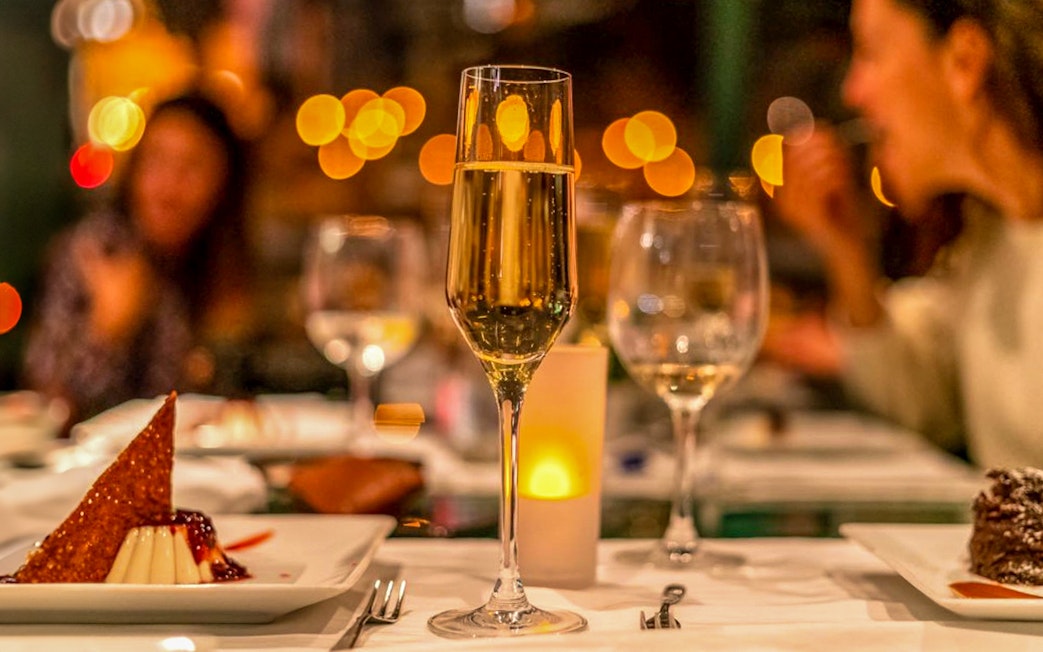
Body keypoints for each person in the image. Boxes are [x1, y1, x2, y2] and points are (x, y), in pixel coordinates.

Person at [767, 0, 1043, 468]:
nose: (852, 92)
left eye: (870, 53)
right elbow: (922, 401)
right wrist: (845, 251)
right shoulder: (992, 239)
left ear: (964, 62)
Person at [23, 92, 256, 428]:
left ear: (224, 184)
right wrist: (107, 331)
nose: (169, 186)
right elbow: (44, 406)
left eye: (192, 166)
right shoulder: (95, 251)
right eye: (156, 160)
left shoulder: (213, 264)